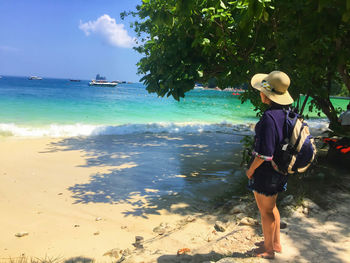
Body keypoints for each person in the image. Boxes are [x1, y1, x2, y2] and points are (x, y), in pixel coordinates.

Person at [246, 71, 294, 259]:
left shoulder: (268, 118)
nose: (260, 93)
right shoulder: (287, 113)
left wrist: (250, 170)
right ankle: (276, 243)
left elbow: (264, 154)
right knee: (272, 207)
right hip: (281, 168)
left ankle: (268, 250)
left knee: (265, 212)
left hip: (267, 172)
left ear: (266, 94)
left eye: (261, 90)